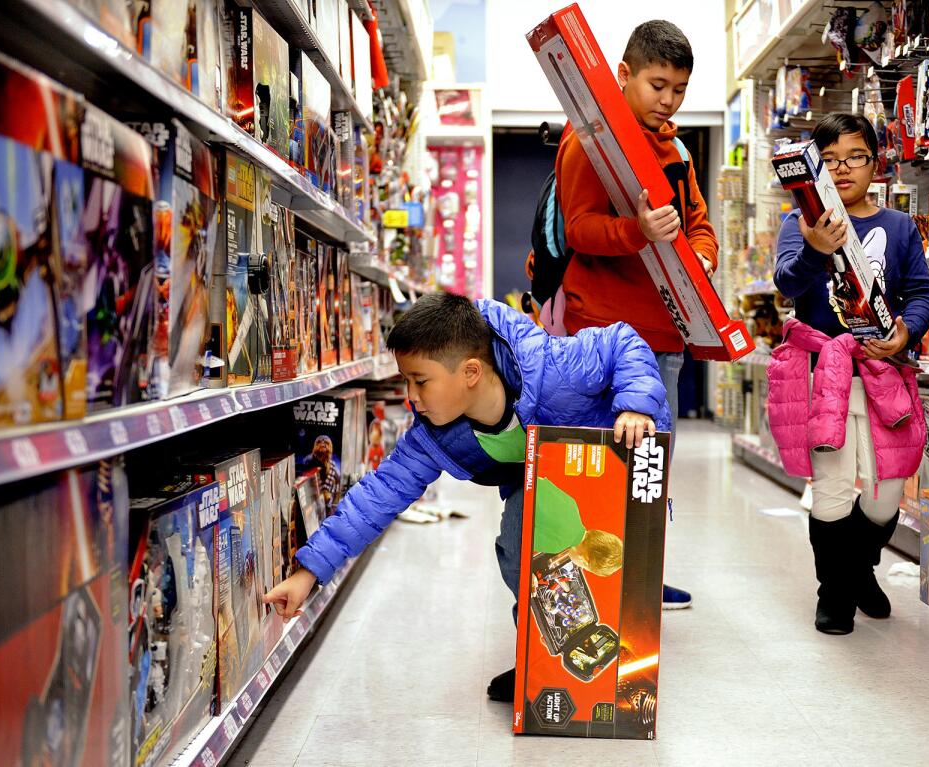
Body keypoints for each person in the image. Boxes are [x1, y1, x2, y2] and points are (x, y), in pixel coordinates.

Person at [262, 293, 671, 704]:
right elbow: (378, 494)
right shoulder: (435, 433)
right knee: (520, 552)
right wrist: (308, 572)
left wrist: (635, 406)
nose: (412, 397)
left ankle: (625, 650)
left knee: (619, 565)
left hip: (620, 462)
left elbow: (622, 341)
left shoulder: (553, 368)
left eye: (420, 381)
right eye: (406, 380)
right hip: (541, 482)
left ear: (471, 372)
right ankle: (536, 655)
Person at [556, 19, 716, 610]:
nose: (668, 100)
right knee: (599, 461)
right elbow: (579, 229)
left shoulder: (674, 149)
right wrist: (637, 231)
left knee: (651, 464)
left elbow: (698, 223)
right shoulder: (588, 141)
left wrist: (700, 256)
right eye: (657, 85)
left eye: (679, 88)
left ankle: (642, 572)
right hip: (598, 334)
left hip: (663, 334)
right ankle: (593, 582)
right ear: (623, 75)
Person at [773, 113, 929, 635]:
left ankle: (859, 570)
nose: (843, 169)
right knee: (833, 488)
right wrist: (816, 251)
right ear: (814, 168)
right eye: (831, 159)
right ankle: (835, 593)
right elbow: (788, 284)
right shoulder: (797, 221)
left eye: (856, 157)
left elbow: (922, 292)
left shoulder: (898, 226)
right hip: (825, 374)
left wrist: (907, 332)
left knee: (887, 493)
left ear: (875, 162)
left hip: (884, 374)